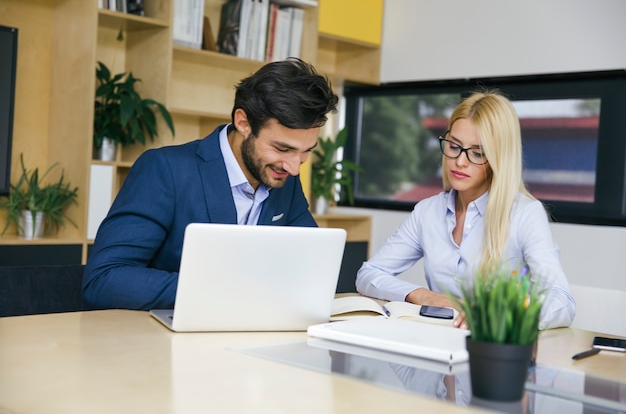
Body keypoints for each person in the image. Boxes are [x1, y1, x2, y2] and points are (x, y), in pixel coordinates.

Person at [83, 58, 339, 310]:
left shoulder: (285, 178)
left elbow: (311, 268)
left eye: (306, 151)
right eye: (282, 148)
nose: (294, 167)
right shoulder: (165, 170)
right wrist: (225, 290)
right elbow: (104, 280)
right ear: (243, 123)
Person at [355, 89, 575, 330]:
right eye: (454, 146)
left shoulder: (525, 213)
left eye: (478, 153)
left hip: (493, 350)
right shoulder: (427, 212)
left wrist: (500, 316)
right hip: (437, 345)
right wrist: (421, 295)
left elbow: (561, 299)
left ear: (498, 158)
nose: (460, 161)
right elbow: (369, 274)